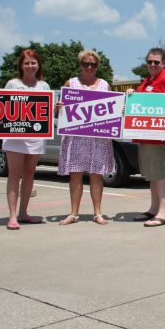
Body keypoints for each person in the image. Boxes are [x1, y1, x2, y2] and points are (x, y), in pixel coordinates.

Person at [56, 50, 114, 226]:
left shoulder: (104, 85)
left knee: (97, 175)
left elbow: (113, 109)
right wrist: (59, 107)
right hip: (76, 138)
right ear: (80, 65)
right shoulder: (71, 83)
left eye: (93, 64)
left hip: (98, 139)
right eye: (86, 64)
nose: (89, 67)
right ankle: (73, 213)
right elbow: (60, 111)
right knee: (75, 174)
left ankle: (97, 213)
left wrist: (119, 110)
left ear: (97, 66)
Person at [128, 48, 165, 227]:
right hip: (145, 137)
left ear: (163, 63)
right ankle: (154, 209)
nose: (152, 64)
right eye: (149, 61)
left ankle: (164, 213)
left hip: (159, 138)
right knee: (152, 175)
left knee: (161, 173)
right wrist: (132, 95)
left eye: (156, 62)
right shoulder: (147, 81)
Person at [0, 49, 49, 230]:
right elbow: (1, 106)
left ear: (38, 65)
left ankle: (23, 213)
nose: (30, 66)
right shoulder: (12, 84)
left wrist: (57, 107)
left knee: (29, 173)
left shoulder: (43, 86)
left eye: (33, 63)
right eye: (26, 63)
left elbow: (48, 111)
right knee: (15, 174)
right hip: (15, 137)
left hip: (36, 137)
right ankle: (12, 216)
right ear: (21, 65)